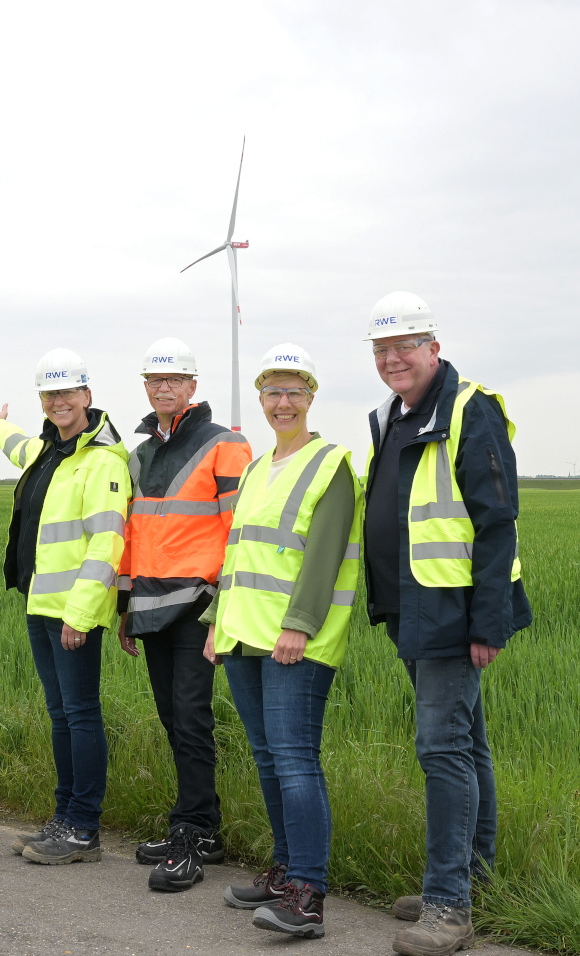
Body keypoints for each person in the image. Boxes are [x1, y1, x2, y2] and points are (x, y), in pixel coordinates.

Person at [358, 292, 531, 956]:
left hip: (453, 614)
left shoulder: (467, 409)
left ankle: (449, 906)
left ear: (433, 347)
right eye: (382, 350)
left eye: (406, 345)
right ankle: (471, 874)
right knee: (467, 742)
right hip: (412, 606)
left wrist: (486, 622)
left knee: (442, 749)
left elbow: (496, 521)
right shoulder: (395, 416)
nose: (394, 359)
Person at [202, 343, 361, 940]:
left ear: (311, 397)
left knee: (295, 760)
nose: (283, 402)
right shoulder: (254, 468)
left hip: (295, 640)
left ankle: (308, 892)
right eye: (273, 392)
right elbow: (238, 552)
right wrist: (216, 620)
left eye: (294, 391)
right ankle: (284, 871)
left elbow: (323, 555)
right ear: (262, 400)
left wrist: (300, 624)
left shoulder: (331, 463)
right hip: (244, 634)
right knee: (269, 759)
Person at [0, 348, 130, 865]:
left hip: (72, 611)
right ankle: (63, 817)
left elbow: (107, 543)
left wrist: (81, 614)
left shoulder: (104, 459)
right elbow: (21, 447)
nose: (59, 402)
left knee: (81, 714)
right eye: (50, 394)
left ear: (87, 395)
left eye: (67, 392)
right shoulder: (52, 450)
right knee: (61, 715)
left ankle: (84, 827)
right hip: (40, 602)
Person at [117, 337, 250, 892]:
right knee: (174, 717)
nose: (163, 387)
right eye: (154, 380)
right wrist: (124, 604)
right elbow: (132, 532)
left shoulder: (225, 445)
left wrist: (224, 610)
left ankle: (193, 829)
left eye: (173, 379)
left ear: (193, 386)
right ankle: (200, 825)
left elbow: (239, 533)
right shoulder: (142, 451)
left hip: (198, 605)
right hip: (150, 606)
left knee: (191, 718)